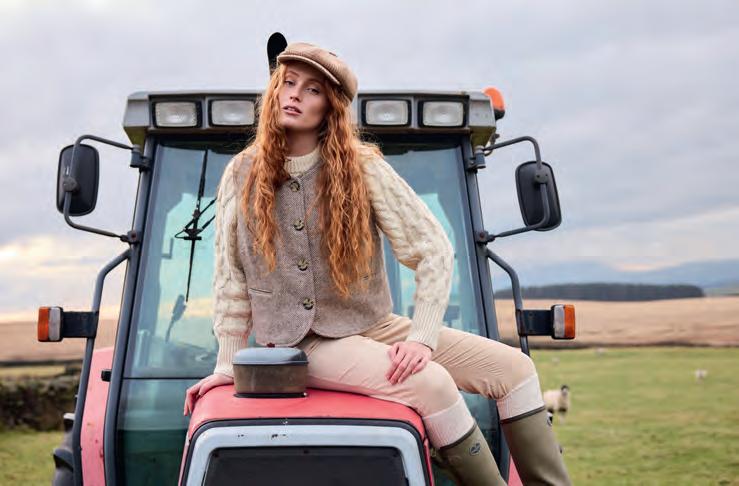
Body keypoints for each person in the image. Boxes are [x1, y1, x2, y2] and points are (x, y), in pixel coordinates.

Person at [183, 41, 571, 485]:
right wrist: (227, 365)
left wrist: (422, 338)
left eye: (312, 89)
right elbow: (230, 278)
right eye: (288, 83)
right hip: (298, 345)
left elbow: (433, 248)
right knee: (432, 384)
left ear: (331, 107)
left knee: (514, 370)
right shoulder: (241, 173)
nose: (295, 95)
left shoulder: (362, 168)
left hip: (372, 325)